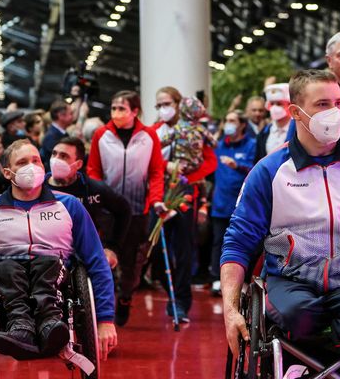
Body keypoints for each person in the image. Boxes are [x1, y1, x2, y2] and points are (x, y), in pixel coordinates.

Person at [221, 70, 340, 375]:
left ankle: (333, 371)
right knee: (297, 314)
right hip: (290, 280)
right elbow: (237, 243)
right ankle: (301, 368)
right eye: (322, 104)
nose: (334, 112)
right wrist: (230, 310)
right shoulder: (269, 171)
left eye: (338, 102)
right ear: (296, 112)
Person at [0, 140, 118, 359]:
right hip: (7, 281)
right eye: (22, 162)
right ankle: (20, 329)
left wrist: (105, 320)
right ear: (7, 173)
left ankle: (50, 324)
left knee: (46, 262)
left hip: (55, 277)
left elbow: (97, 261)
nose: (31, 166)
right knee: (8, 267)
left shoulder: (69, 206)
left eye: (36, 160)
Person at [87, 91, 165, 325]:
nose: (116, 113)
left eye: (122, 108)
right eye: (113, 108)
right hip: (107, 210)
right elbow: (93, 170)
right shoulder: (101, 135)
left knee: (131, 262)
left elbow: (156, 171)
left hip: (136, 209)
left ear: (135, 111)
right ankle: (104, 304)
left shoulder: (148, 136)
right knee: (105, 258)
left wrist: (156, 199)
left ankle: (125, 298)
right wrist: (98, 195)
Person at [152, 86, 217, 322]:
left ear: (179, 105)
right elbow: (149, 158)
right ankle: (168, 288)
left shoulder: (196, 130)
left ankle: (180, 301)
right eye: (159, 105)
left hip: (185, 192)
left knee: (184, 248)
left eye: (167, 104)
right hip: (159, 193)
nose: (163, 109)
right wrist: (166, 167)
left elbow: (210, 161)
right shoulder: (155, 132)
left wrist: (186, 177)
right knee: (155, 247)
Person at [46, 137, 132, 287]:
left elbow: (124, 210)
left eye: (64, 156)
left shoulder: (94, 189)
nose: (56, 160)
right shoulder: (38, 189)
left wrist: (112, 248)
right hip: (48, 255)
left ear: (78, 164)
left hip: (85, 253)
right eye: (54, 154)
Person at [209, 110, 256, 295]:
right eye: (226, 120)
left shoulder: (252, 145)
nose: (228, 124)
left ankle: (243, 281)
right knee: (218, 242)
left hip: (243, 205)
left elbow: (255, 170)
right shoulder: (219, 146)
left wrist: (237, 166)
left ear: (242, 124)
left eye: (232, 121)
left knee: (243, 243)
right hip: (220, 203)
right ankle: (216, 279)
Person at [254, 83, 292, 163]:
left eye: (279, 104)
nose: (274, 107)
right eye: (272, 104)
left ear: (290, 105)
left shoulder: (298, 131)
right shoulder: (264, 133)